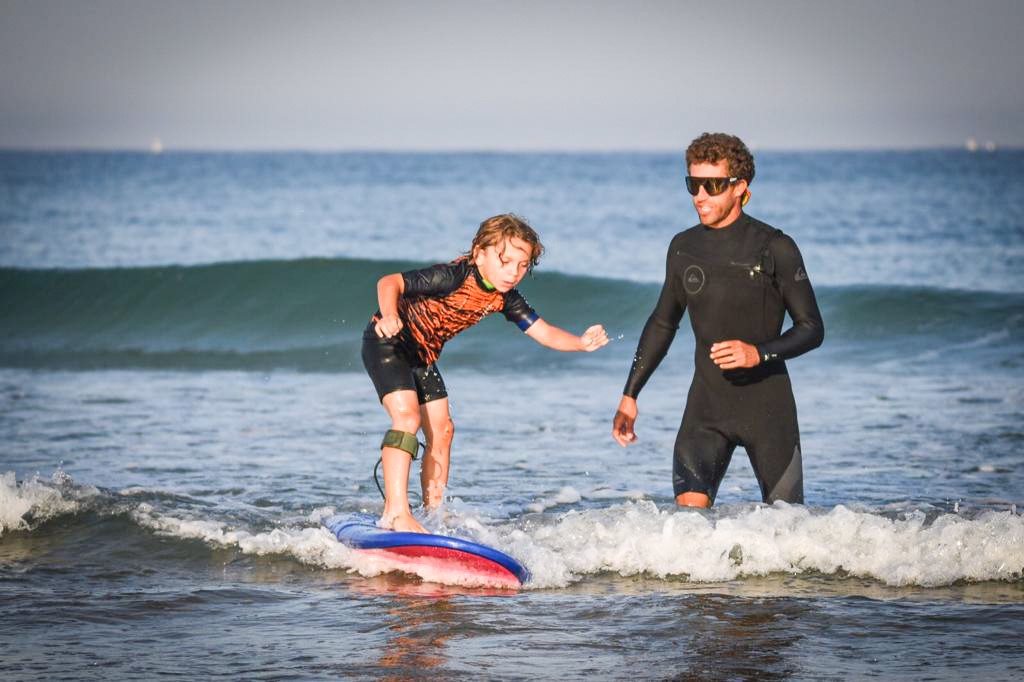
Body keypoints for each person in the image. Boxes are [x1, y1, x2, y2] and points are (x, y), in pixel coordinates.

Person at [612, 132, 824, 507]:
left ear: (739, 187)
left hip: (767, 411)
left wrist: (757, 353)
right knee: (686, 532)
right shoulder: (683, 247)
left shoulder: (775, 247)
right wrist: (630, 394)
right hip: (705, 411)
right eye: (693, 184)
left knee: (790, 534)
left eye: (711, 185)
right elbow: (663, 322)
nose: (700, 196)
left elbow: (811, 329)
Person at [364, 213, 609, 533]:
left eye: (522, 266)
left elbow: (544, 333)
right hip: (388, 342)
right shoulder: (453, 275)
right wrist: (390, 315)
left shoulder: (504, 297)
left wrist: (580, 343)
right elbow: (390, 282)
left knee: (443, 429)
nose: (513, 272)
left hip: (422, 355)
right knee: (408, 419)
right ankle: (396, 513)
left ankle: (432, 513)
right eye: (506, 261)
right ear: (479, 252)